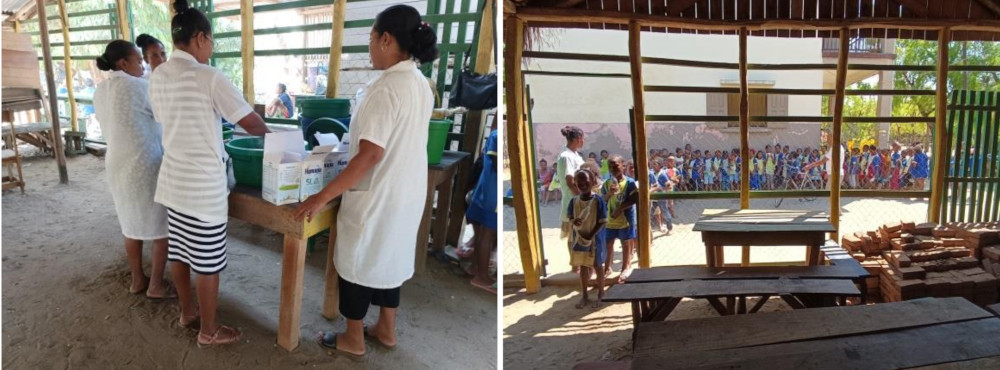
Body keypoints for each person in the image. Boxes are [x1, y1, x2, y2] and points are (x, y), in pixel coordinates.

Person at [293, 4, 437, 358]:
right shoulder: (421, 84)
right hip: (405, 192)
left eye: (371, 39)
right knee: (388, 258)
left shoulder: (385, 88)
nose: (370, 47)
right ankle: (387, 329)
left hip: (378, 194)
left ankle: (353, 338)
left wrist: (320, 197)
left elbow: (370, 154)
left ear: (386, 39)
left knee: (357, 260)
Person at [148, 0, 271, 347]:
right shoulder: (208, 76)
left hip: (173, 182)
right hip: (202, 187)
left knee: (182, 253)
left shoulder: (158, 75)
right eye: (212, 41)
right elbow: (248, 121)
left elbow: (164, 119)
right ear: (200, 38)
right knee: (207, 263)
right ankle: (209, 331)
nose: (212, 48)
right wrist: (280, 139)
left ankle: (188, 312)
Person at [93, 40, 175, 301]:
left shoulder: (101, 90)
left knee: (131, 224)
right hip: (145, 164)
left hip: (117, 164)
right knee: (162, 227)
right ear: (123, 64)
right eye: (139, 61)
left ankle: (137, 280)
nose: (143, 65)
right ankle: (156, 285)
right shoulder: (140, 87)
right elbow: (166, 116)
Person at [567, 169, 608, 309]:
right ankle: (584, 295)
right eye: (579, 182)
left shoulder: (598, 200)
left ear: (592, 182)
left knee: (598, 266)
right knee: (583, 266)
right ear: (575, 184)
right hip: (580, 238)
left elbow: (602, 221)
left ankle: (601, 293)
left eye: (586, 181)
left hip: (595, 240)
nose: (583, 184)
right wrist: (574, 221)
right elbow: (570, 217)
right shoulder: (574, 201)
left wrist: (591, 234)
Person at [465, 127, 498, 293]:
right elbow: (498, 165)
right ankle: (482, 277)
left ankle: (476, 267)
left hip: (486, 190)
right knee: (487, 234)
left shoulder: (494, 134)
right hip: (493, 194)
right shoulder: (499, 137)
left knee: (482, 232)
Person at [602, 155, 638, 284]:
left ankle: (625, 267)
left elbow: (634, 199)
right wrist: (609, 194)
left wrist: (620, 209)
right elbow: (603, 200)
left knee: (626, 244)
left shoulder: (629, 182)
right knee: (608, 244)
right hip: (610, 221)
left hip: (625, 221)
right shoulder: (607, 183)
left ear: (623, 166)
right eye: (610, 167)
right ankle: (607, 268)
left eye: (616, 166)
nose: (613, 169)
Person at [557, 127, 586, 272]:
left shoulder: (575, 155)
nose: (583, 141)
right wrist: (581, 197)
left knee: (580, 233)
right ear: (577, 139)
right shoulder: (566, 156)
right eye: (582, 138)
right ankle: (575, 264)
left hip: (579, 199)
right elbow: (570, 180)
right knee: (572, 235)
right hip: (573, 201)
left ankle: (579, 263)